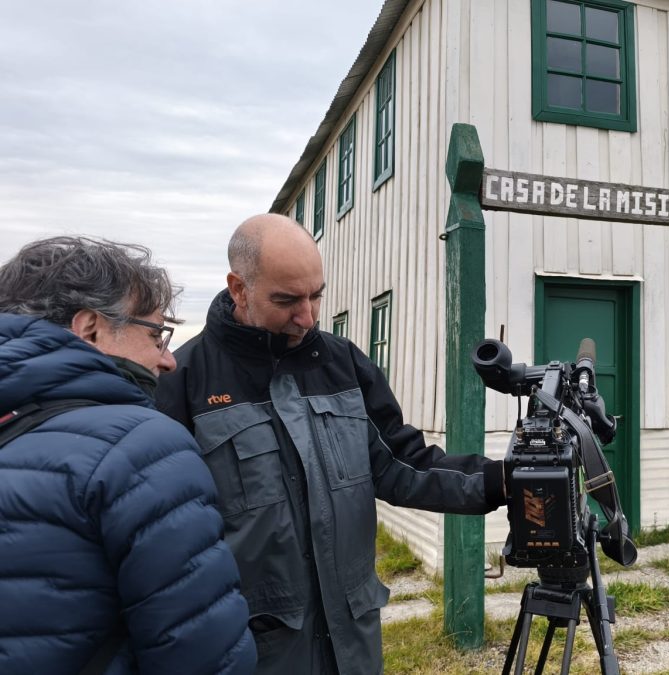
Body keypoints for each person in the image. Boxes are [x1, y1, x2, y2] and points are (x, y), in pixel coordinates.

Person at [155, 214, 505, 675]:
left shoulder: (343, 364)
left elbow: (401, 464)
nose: (308, 317)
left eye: (316, 295)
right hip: (257, 654)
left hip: (353, 648)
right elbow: (167, 544)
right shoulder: (181, 383)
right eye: (286, 300)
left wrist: (500, 481)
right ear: (239, 289)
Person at [0, 236, 257, 674]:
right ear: (91, 329)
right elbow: (204, 658)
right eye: (156, 335)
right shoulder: (143, 448)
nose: (168, 360)